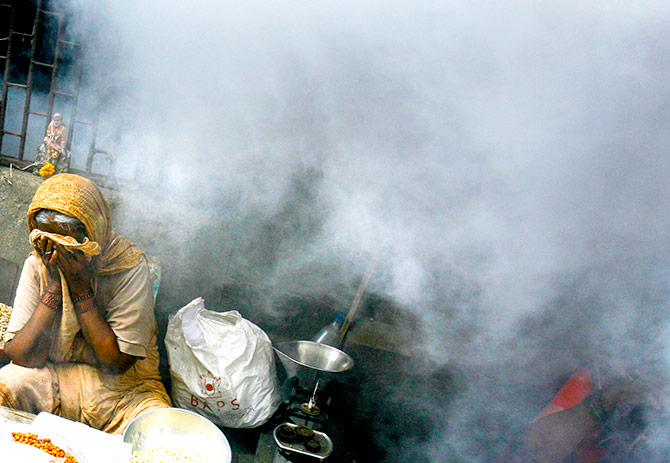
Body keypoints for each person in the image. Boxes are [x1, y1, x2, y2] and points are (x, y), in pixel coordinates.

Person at [0, 173, 171, 433]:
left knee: (157, 429)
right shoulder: (38, 263)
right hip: (54, 375)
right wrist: (57, 283)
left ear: (95, 230)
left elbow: (116, 363)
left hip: (122, 391)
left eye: (67, 244)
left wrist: (79, 286)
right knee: (7, 386)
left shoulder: (129, 266)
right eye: (45, 241)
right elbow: (21, 355)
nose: (54, 251)